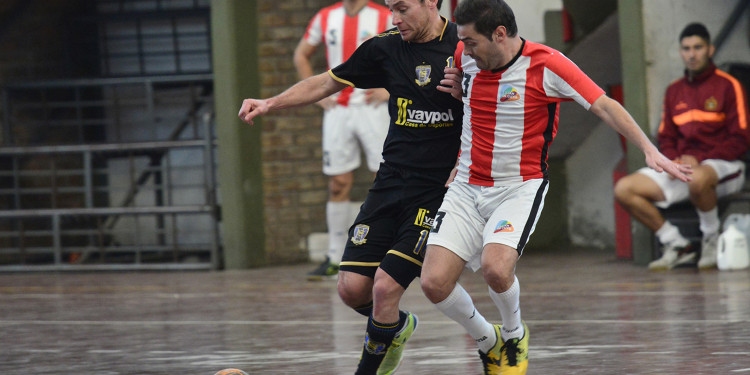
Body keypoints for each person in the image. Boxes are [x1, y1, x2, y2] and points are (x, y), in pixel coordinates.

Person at [418, 1, 693, 375]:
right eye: (462, 42)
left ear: (500, 34)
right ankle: (487, 340)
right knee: (433, 283)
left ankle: (514, 335)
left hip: (519, 187)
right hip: (466, 186)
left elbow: (605, 105)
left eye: (471, 42)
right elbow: (472, 102)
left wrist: (648, 149)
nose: (464, 49)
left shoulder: (547, 65)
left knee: (496, 270)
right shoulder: (466, 57)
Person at [239, 0, 462, 373]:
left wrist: (467, 92)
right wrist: (270, 103)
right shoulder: (385, 46)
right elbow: (327, 80)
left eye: (403, 9)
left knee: (385, 286)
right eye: (391, 9)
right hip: (391, 183)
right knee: (351, 289)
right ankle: (397, 326)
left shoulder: (463, 46)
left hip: (437, 190)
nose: (395, 19)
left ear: (431, 2)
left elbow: (502, 97)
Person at [614, 22, 749, 271]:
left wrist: (700, 158)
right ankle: (677, 244)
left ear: (710, 49)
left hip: (723, 165)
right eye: (686, 48)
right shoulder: (674, 91)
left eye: (698, 47)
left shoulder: (729, 86)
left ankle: (710, 238)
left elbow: (741, 138)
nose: (691, 53)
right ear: (680, 52)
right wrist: (674, 159)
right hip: (683, 166)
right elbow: (666, 137)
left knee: (697, 177)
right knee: (624, 188)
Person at [293, 0, 392, 281]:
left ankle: (384, 252)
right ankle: (335, 257)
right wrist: (318, 94)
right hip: (338, 110)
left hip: (372, 109)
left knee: (384, 176)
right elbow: (301, 54)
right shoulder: (325, 17)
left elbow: (406, 54)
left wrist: (389, 87)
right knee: (338, 182)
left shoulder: (384, 16)